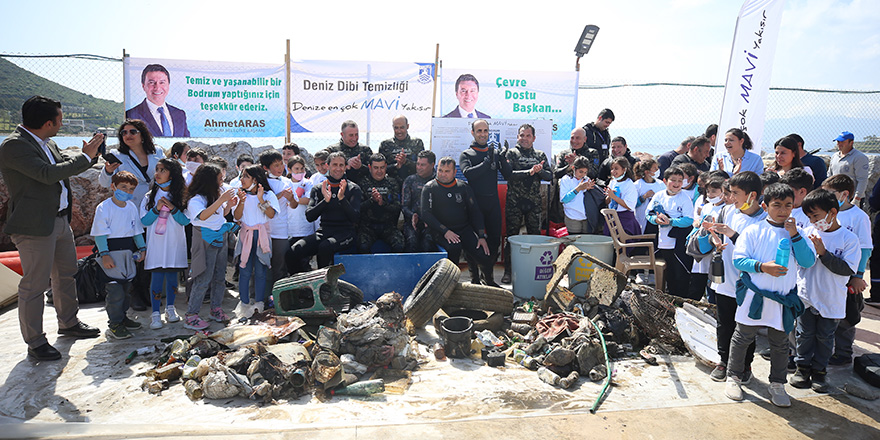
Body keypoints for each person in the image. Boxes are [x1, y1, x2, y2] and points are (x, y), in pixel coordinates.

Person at [0, 96, 104, 359]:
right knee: (34, 285)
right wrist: (84, 157)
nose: (61, 124)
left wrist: (87, 157)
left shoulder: (47, 142)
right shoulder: (14, 146)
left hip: (59, 220)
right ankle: (35, 342)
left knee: (66, 274)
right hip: (34, 226)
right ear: (48, 123)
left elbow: (60, 168)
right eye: (59, 119)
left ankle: (68, 323)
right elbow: (47, 174)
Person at [725, 183, 816, 408]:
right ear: (765, 206)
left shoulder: (798, 232)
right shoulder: (754, 230)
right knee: (742, 337)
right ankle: (733, 377)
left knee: (780, 342)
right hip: (754, 295)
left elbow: (808, 261)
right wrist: (763, 267)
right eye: (777, 205)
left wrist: (794, 236)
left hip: (782, 299)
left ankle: (777, 384)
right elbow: (739, 260)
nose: (783, 210)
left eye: (788, 205)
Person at [790, 189, 860, 393]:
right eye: (810, 217)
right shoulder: (807, 233)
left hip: (831, 298)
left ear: (832, 213)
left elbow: (847, 269)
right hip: (807, 296)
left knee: (825, 337)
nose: (813, 221)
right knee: (804, 333)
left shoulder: (849, 239)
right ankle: (802, 368)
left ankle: (820, 371)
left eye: (816, 216)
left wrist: (824, 254)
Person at [702, 171, 766, 382]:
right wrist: (715, 241)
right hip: (725, 279)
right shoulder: (730, 211)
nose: (731, 197)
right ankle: (724, 360)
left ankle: (745, 365)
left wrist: (732, 235)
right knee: (724, 323)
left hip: (748, 283)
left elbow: (758, 252)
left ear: (752, 195)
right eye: (730, 193)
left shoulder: (764, 220)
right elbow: (719, 238)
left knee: (746, 327)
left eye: (736, 193)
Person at [822, 174, 872, 365]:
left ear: (844, 194)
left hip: (848, 274)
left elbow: (865, 248)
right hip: (829, 272)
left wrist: (858, 276)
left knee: (847, 317)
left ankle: (843, 353)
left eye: (831, 194)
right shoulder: (827, 212)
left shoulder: (858, 217)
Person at [91, 171, 146, 340]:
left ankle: (123, 318)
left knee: (126, 289)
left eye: (131, 189)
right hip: (111, 253)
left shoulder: (131, 207)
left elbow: (136, 230)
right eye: (123, 187)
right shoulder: (104, 208)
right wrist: (105, 254)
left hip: (127, 253)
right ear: (113, 186)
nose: (127, 191)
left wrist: (142, 248)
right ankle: (114, 323)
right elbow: (100, 234)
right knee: (115, 292)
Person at [184, 164, 238, 330]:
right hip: (205, 239)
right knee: (203, 277)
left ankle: (216, 309)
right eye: (220, 179)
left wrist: (229, 204)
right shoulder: (196, 199)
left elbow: (219, 214)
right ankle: (191, 315)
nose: (222, 183)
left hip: (220, 236)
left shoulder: (215, 195)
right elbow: (202, 215)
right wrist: (222, 200)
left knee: (220, 275)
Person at [289, 152, 363, 271]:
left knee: (325, 247)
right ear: (328, 166)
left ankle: (324, 286)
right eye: (334, 165)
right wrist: (325, 201)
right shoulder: (319, 188)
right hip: (324, 231)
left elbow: (355, 218)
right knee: (295, 249)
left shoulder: (353, 188)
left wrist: (342, 199)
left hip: (346, 233)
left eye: (341, 165)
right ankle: (300, 286)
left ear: (345, 167)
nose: (338, 168)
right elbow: (310, 216)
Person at [459, 119, 512, 286]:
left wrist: (502, 159)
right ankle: (475, 279)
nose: (483, 134)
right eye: (479, 131)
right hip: (475, 205)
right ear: (473, 133)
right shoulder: (467, 154)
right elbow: (469, 174)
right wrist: (486, 162)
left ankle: (488, 279)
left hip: (492, 204)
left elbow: (508, 175)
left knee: (494, 241)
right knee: (474, 243)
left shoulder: (494, 153)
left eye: (485, 131)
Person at [139, 159, 190, 330]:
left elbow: (185, 221)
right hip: (157, 244)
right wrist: (156, 208)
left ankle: (171, 308)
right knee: (157, 277)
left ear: (172, 174)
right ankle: (155, 313)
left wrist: (173, 208)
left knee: (172, 276)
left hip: (174, 243)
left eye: (163, 170)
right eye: (157, 170)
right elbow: (144, 222)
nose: (157, 174)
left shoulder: (182, 196)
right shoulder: (149, 197)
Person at [501, 124, 552, 282]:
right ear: (517, 136)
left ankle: (533, 268)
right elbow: (508, 175)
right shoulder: (512, 153)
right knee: (511, 238)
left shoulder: (540, 154)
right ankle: (508, 271)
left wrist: (540, 171)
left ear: (534, 138)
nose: (524, 138)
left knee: (535, 237)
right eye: (521, 135)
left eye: (528, 136)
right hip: (514, 202)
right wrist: (529, 172)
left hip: (534, 203)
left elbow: (550, 176)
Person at [420, 157, 492, 268]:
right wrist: (445, 231)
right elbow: (426, 214)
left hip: (463, 229)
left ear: (454, 172)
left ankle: (483, 281)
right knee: (454, 248)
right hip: (440, 230)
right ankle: (451, 281)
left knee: (484, 254)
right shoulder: (429, 188)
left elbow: (475, 212)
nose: (443, 174)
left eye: (447, 171)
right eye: (440, 170)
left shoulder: (463, 187)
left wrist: (481, 235)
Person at [233, 165, 278, 316]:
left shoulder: (268, 194)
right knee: (244, 270)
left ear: (256, 179)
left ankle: (259, 302)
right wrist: (241, 201)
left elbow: (271, 214)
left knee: (260, 271)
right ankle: (244, 303)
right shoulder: (240, 195)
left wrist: (260, 199)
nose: (242, 179)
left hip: (261, 236)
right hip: (246, 235)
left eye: (246, 176)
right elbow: (237, 217)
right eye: (242, 176)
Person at [645, 166, 694, 297]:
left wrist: (671, 221)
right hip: (664, 241)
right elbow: (648, 214)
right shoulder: (659, 196)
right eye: (673, 180)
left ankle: (681, 300)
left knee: (681, 272)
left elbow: (689, 220)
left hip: (680, 242)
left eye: (680, 180)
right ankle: (670, 299)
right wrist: (656, 220)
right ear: (665, 181)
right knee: (670, 272)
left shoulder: (685, 198)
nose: (677, 184)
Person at [99, 119, 166, 207]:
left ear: (142, 135)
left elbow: (168, 171)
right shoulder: (117, 155)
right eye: (124, 133)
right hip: (130, 205)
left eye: (132, 132)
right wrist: (108, 171)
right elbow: (104, 183)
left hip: (155, 204)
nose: (128, 135)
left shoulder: (157, 151)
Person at [259, 150, 295, 302]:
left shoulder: (287, 182)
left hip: (281, 231)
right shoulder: (261, 182)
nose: (280, 168)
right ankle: (261, 298)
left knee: (280, 267)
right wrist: (279, 196)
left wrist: (291, 198)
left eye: (281, 164)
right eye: (276, 165)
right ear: (266, 168)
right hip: (264, 230)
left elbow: (294, 205)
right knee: (263, 267)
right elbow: (261, 203)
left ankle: (278, 299)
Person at [688, 175, 726, 302]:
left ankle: (713, 306)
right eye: (708, 191)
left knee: (713, 280)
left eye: (714, 191)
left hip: (716, 247)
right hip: (702, 246)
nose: (710, 194)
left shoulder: (726, 208)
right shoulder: (707, 206)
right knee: (698, 277)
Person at [357, 153, 405, 253]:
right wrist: (371, 201)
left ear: (386, 167)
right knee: (363, 246)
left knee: (399, 244)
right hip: (367, 227)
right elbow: (358, 208)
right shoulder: (362, 183)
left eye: (382, 167)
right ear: (370, 167)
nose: (379, 171)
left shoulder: (392, 183)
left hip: (388, 226)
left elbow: (397, 207)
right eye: (376, 168)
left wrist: (382, 203)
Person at [125, 64, 190, 137]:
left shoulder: (179, 114)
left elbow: (186, 142)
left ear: (168, 85)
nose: (157, 87)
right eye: (152, 82)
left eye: (162, 82)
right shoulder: (131, 115)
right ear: (143, 86)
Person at [402, 150, 437, 253]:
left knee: (427, 243)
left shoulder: (438, 181)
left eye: (423, 165)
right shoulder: (410, 180)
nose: (419, 167)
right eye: (417, 164)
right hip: (412, 222)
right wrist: (412, 216)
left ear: (432, 165)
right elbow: (404, 206)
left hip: (432, 223)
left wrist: (430, 220)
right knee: (412, 242)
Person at [285, 156, 315, 273]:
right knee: (291, 261)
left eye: (302, 169)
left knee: (304, 261)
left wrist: (293, 199)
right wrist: (295, 199)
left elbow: (308, 199)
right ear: (289, 169)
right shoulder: (286, 184)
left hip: (305, 228)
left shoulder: (308, 183)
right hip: (290, 228)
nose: (300, 172)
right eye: (296, 169)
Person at [379, 115, 425, 183]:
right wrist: (396, 166)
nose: (399, 131)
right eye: (396, 128)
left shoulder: (417, 143)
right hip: (391, 184)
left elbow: (423, 168)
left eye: (402, 127)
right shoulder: (385, 145)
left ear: (407, 126)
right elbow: (380, 169)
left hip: (413, 183)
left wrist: (406, 162)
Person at [829, 131, 869, 203]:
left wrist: (857, 198)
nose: (839, 144)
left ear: (851, 142)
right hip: (836, 196)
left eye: (842, 142)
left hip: (851, 197)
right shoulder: (834, 156)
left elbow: (862, 179)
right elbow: (829, 176)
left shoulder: (859, 157)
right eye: (838, 141)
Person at [604, 156, 640, 237]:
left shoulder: (629, 185)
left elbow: (629, 206)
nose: (613, 171)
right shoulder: (613, 182)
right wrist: (609, 196)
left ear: (624, 169)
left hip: (625, 219)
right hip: (612, 217)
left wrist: (614, 197)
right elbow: (607, 202)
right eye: (612, 168)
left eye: (616, 168)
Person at [559, 157, 596, 234]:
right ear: (573, 168)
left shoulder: (587, 179)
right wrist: (578, 189)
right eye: (580, 172)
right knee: (574, 241)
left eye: (585, 172)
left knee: (586, 241)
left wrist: (588, 190)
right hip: (572, 216)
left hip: (586, 217)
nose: (583, 175)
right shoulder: (566, 179)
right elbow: (564, 199)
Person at [634, 159, 665, 234]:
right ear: (647, 172)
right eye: (655, 168)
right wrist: (644, 197)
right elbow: (633, 204)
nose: (658, 170)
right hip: (642, 218)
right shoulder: (637, 185)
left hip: (657, 218)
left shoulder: (661, 184)